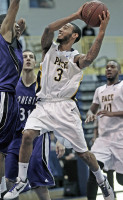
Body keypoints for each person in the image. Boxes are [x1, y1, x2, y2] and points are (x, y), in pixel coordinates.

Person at [4, 6, 114, 200]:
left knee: (84, 154)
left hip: (65, 107)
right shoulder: (49, 48)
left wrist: (102, 30)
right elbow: (48, 29)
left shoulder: (75, 58)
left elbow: (89, 58)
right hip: (44, 104)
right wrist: (76, 15)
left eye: (67, 28)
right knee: (27, 135)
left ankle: (101, 179)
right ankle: (21, 180)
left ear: (74, 36)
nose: (61, 29)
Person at [5, 50, 65, 200]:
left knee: (39, 183)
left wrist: (60, 139)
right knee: (10, 179)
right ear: (20, 61)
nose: (28, 59)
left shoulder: (42, 85)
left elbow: (55, 112)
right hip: (16, 137)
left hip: (37, 137)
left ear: (35, 62)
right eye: (25, 56)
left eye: (31, 57)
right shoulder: (12, 85)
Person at [85, 60, 123, 200]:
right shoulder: (99, 90)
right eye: (107, 67)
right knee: (94, 171)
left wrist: (113, 113)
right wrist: (90, 114)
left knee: (120, 179)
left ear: (118, 71)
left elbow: (109, 113)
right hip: (104, 139)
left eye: (112, 66)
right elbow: (93, 108)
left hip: (120, 137)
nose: (108, 69)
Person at [0, 0, 26, 198]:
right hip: (4, 97)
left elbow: (15, 46)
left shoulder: (13, 47)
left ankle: (1, 188)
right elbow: (14, 6)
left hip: (9, 99)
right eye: (13, 24)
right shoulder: (3, 37)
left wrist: (19, 32)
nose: (16, 25)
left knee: (2, 150)